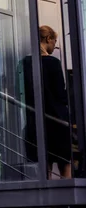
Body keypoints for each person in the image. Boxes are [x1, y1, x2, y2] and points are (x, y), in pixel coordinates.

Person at [23, 25, 72, 179]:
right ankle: (68, 201)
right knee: (65, 162)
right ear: (48, 39)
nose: (55, 46)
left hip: (35, 122)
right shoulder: (53, 63)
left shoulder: (24, 63)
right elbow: (61, 95)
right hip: (57, 121)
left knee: (44, 165)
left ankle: (47, 202)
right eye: (54, 41)